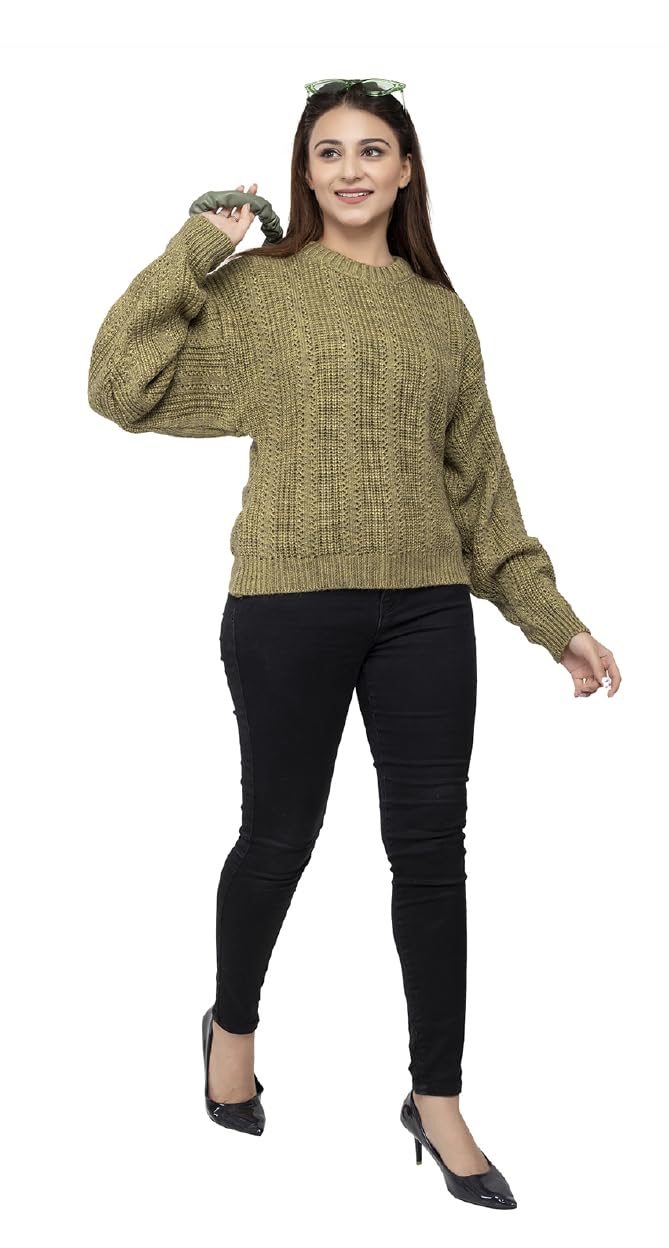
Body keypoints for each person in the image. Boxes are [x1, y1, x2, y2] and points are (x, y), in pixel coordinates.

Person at [87, 78, 621, 1209]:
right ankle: (231, 1030)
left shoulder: (441, 316)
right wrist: (199, 246)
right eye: (327, 151)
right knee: (278, 837)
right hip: (287, 606)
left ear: (406, 168)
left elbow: (483, 499)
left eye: (372, 149)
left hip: (426, 612)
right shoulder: (261, 293)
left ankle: (437, 1097)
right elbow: (120, 386)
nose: (349, 170)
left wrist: (556, 624)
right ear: (305, 171)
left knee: (431, 855)